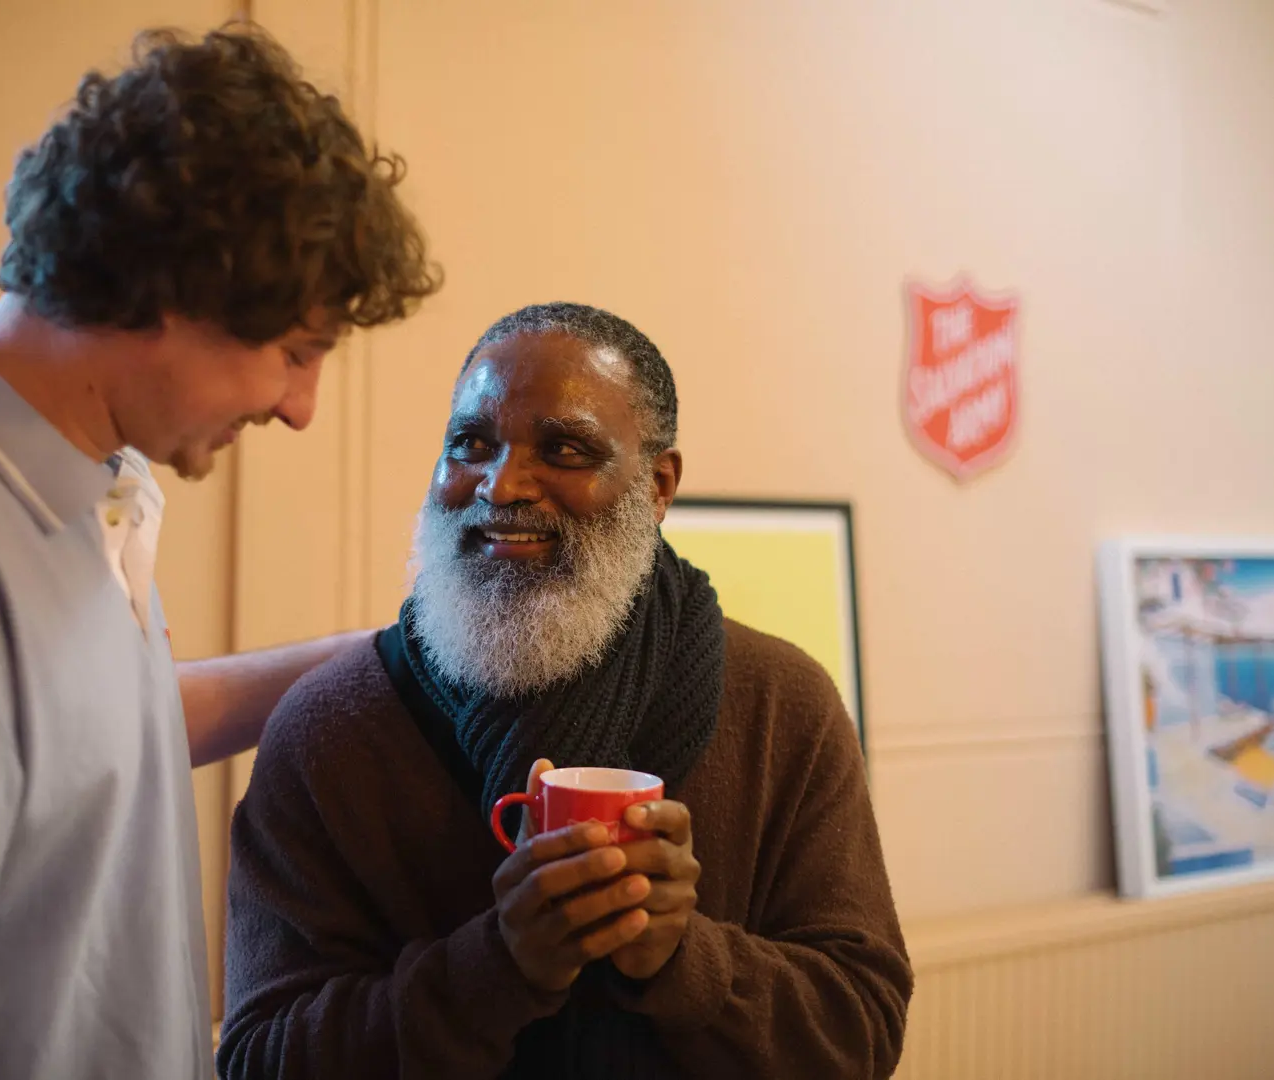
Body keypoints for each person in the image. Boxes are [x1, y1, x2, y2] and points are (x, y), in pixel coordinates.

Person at [0, 22, 437, 1080]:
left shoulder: (81, 485)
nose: (299, 409)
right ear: (172, 286)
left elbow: (85, 741)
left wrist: (399, 660)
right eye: (294, 353)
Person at [220, 303, 912, 1079]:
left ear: (657, 485)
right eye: (470, 444)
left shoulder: (784, 704)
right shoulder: (330, 729)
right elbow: (259, 1061)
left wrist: (685, 958)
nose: (502, 485)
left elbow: (862, 1033)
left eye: (565, 448)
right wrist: (496, 968)